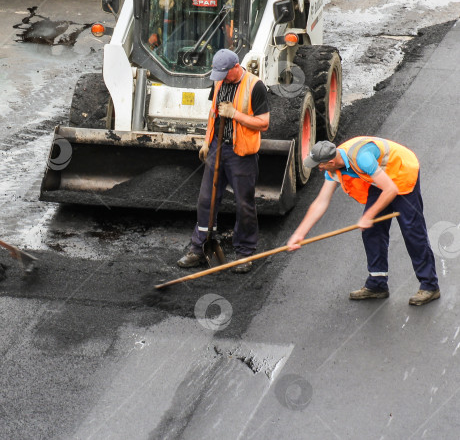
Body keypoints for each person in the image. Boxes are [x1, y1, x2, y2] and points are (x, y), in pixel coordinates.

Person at [287, 138, 439, 306]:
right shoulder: (332, 168)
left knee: (412, 230)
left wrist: (368, 216)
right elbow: (321, 202)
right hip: (379, 176)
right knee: (372, 229)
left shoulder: (362, 158)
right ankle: (377, 284)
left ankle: (430, 286)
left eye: (319, 165)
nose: (318, 168)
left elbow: (391, 190)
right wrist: (299, 234)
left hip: (401, 171)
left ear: (330, 161)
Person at [177, 49, 270, 271]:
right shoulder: (219, 82)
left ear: (236, 67)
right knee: (206, 200)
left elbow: (264, 123)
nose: (220, 78)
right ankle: (199, 249)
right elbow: (213, 114)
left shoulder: (255, 86)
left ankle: (244, 254)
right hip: (217, 148)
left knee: (244, 204)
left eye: (224, 74)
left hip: (242, 153)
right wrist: (206, 142)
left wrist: (235, 114)